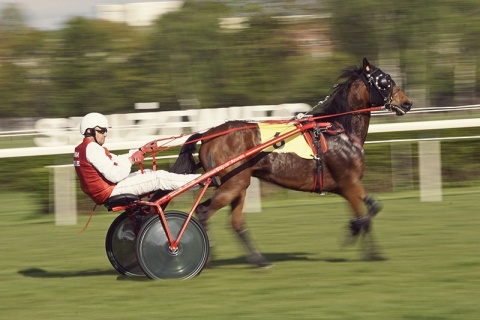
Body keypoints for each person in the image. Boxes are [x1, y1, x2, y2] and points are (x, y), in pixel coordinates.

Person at [73, 112, 201, 205]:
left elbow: (115, 160)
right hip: (110, 191)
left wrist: (141, 150)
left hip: (107, 190)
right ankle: (200, 181)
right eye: (101, 131)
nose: (105, 134)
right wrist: (131, 161)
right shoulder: (92, 149)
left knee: (149, 173)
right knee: (159, 177)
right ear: (89, 131)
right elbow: (115, 175)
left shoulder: (84, 148)